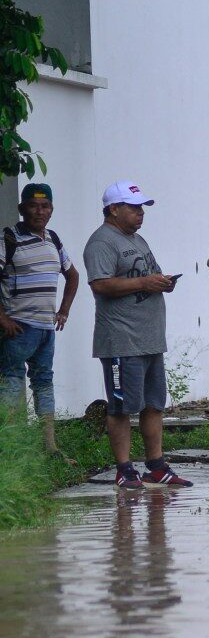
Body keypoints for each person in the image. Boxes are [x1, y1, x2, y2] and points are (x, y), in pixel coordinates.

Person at [86, 180, 190, 488]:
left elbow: (146, 275)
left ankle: (156, 466)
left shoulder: (138, 240)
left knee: (154, 404)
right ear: (114, 209)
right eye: (133, 208)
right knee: (121, 407)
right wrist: (145, 284)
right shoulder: (102, 242)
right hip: (122, 340)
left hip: (149, 339)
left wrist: (162, 282)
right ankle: (124, 469)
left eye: (141, 208)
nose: (140, 213)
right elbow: (101, 284)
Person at [2, 182, 80, 454]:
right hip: (18, 328)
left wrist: (64, 310)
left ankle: (50, 446)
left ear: (52, 209)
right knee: (12, 382)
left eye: (45, 206)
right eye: (33, 206)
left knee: (43, 382)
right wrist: (2, 318)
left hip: (46, 328)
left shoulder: (53, 239)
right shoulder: (8, 239)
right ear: (21, 208)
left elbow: (72, 275)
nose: (39, 211)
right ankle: (11, 447)